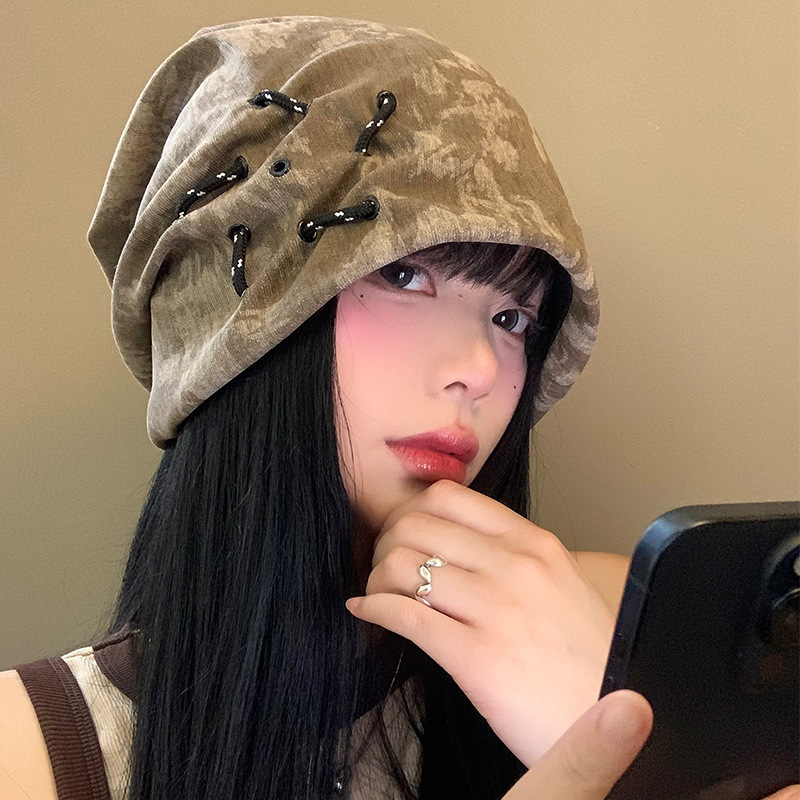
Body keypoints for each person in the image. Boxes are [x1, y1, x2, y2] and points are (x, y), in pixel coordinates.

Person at [1, 16, 796, 800]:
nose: (481, 369)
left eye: (513, 318)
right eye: (405, 276)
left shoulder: (596, 616)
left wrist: (648, 748)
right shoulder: (29, 751)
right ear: (235, 334)